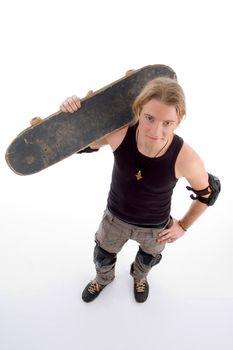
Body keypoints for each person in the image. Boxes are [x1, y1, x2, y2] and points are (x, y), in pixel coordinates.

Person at [60, 76, 220, 303]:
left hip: (155, 228)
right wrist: (78, 114)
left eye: (168, 123)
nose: (156, 131)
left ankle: (139, 277)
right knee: (103, 256)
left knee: (148, 260)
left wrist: (183, 226)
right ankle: (103, 279)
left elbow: (209, 193)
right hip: (115, 219)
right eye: (149, 118)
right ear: (138, 110)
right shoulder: (119, 133)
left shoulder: (186, 158)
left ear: (179, 120)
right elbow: (77, 144)